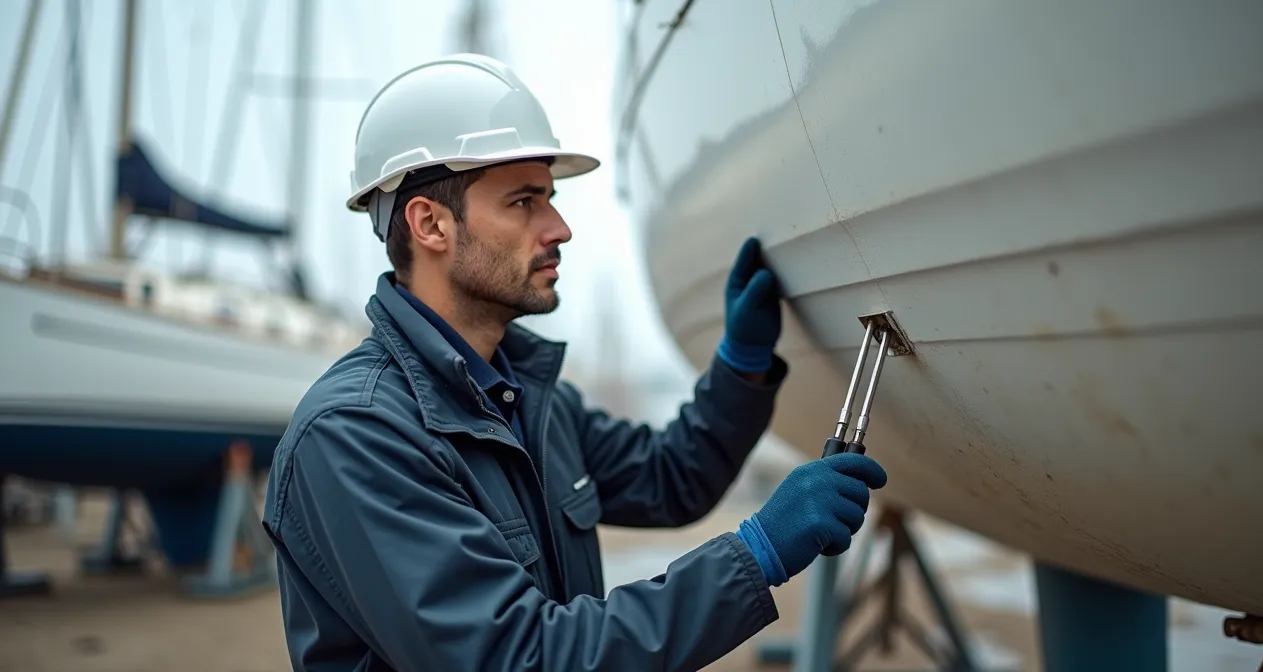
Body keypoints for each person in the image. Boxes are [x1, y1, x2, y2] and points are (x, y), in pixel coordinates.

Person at [261, 53, 889, 672]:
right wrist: (756, 554)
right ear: (430, 224)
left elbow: (671, 478)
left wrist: (741, 365)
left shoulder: (526, 400)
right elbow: (517, 658)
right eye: (523, 202)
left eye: (550, 199)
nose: (559, 227)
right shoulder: (356, 435)